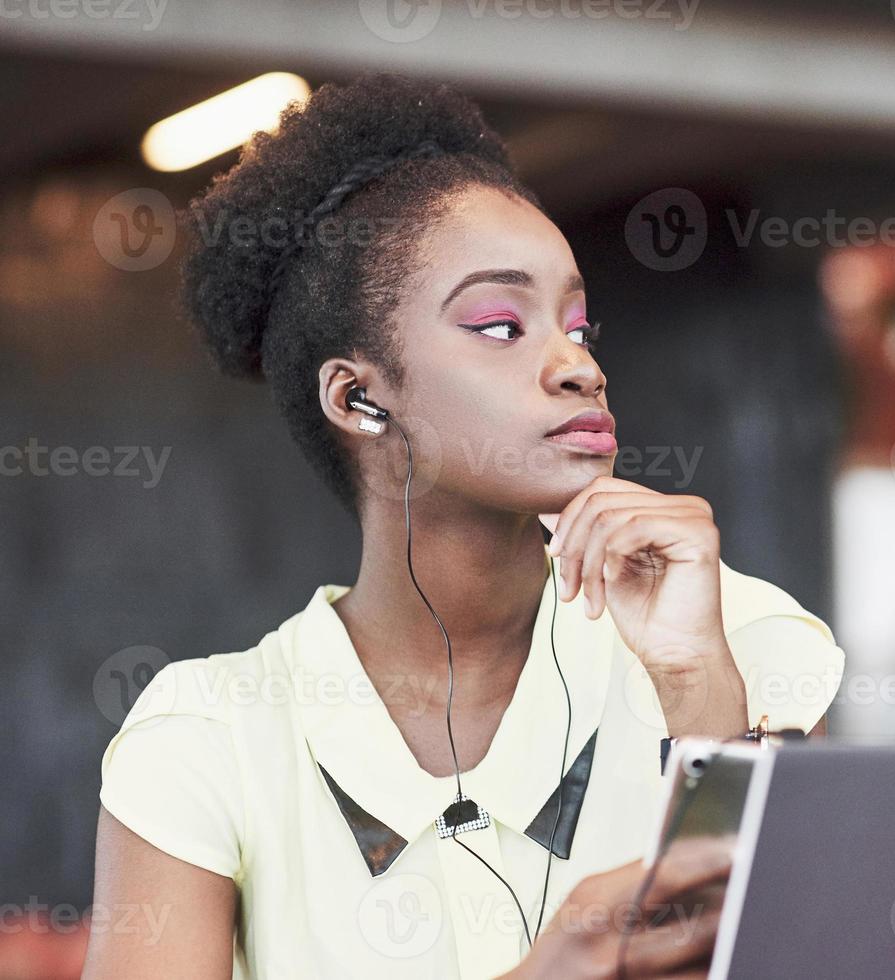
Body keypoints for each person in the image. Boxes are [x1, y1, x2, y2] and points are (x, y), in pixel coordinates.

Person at [82, 74, 844, 980]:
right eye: (498, 324)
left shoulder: (732, 633)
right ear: (359, 396)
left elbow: (798, 951)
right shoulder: (209, 732)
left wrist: (697, 689)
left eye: (578, 326)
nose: (576, 367)